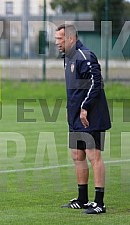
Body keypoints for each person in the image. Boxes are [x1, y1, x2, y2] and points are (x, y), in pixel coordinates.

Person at [55, 24, 111, 214]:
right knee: (77, 155)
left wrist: (85, 107)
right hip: (75, 116)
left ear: (71, 38)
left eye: (60, 39)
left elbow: (97, 83)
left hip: (90, 116)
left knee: (93, 156)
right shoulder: (67, 58)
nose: (57, 43)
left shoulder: (85, 55)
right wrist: (70, 109)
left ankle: (100, 203)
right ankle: (82, 198)